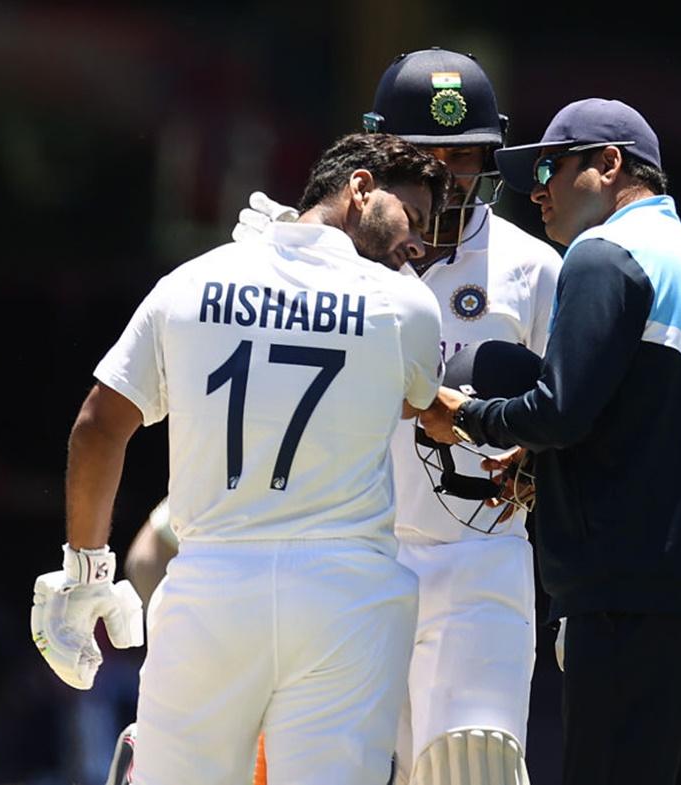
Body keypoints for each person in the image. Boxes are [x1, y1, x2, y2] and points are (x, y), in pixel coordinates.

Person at [31, 131, 450, 785]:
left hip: (210, 593)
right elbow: (416, 403)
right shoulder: (408, 305)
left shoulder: (191, 281)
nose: (420, 244)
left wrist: (85, 573)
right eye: (415, 218)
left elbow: (97, 426)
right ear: (361, 187)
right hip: (345, 602)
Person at [230, 48, 561, 785]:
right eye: (428, 156)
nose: (449, 176)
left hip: (477, 559)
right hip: (350, 554)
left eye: (466, 157)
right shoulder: (317, 261)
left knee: (470, 765)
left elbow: (576, 415)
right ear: (380, 160)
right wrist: (272, 269)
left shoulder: (535, 271)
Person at [421, 98, 681, 785]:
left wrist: (467, 415)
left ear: (609, 165)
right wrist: (549, 458)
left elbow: (560, 411)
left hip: (625, 589)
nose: (537, 188)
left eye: (550, 166)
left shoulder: (606, 253)